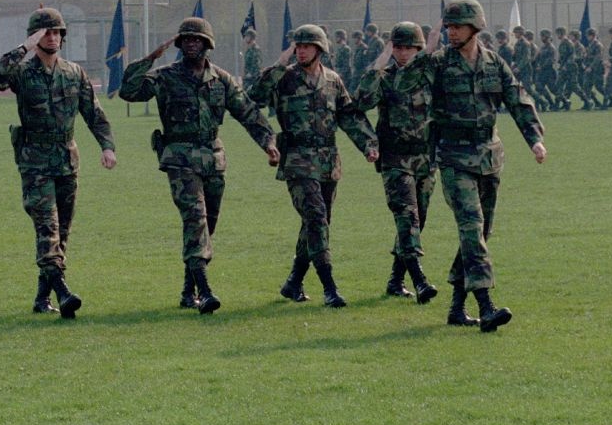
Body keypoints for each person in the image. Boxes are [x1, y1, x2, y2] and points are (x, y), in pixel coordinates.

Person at [398, 0, 546, 332]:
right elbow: (403, 85)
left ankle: (455, 308)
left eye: (457, 26)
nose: (451, 32)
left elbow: (517, 98)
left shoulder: (494, 63)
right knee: (470, 225)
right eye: (448, 26)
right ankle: (486, 305)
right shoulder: (436, 64)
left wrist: (534, 138)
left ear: (475, 27)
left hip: (489, 155)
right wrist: (426, 50)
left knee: (480, 233)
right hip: (453, 155)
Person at [119, 17, 279, 314]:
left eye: (197, 40)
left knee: (208, 224)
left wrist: (269, 143)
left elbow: (248, 113)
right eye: (186, 40)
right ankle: (205, 291)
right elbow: (128, 90)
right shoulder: (164, 76)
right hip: (179, 157)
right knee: (195, 218)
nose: (191, 44)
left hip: (213, 160)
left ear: (207, 44)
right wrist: (150, 58)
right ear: (179, 45)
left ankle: (187, 289)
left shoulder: (222, 80)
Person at [0, 7, 117, 318]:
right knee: (48, 227)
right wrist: (24, 48)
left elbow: (93, 112)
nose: (53, 37)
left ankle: (42, 298)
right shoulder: (22, 71)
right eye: (46, 32)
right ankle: (63, 292)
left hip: (66, 160)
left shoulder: (74, 73)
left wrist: (107, 147)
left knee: (62, 233)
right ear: (35, 36)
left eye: (57, 32)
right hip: (35, 161)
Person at [248, 24, 378, 308]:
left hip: (328, 162)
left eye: (307, 45)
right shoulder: (284, 78)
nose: (302, 50)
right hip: (296, 160)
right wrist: (279, 65)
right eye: (298, 45)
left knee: (316, 223)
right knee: (316, 218)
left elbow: (349, 116)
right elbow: (254, 95)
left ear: (320, 49)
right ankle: (329, 288)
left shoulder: (332, 80)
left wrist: (368, 144)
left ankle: (294, 281)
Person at [356, 22, 439, 304]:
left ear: (418, 49)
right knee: (407, 215)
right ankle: (420, 280)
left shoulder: (428, 75)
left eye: (409, 48)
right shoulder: (385, 77)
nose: (403, 53)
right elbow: (362, 100)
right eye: (398, 47)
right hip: (394, 157)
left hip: (425, 158)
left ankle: (395, 280)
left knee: (419, 219)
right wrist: (380, 61)